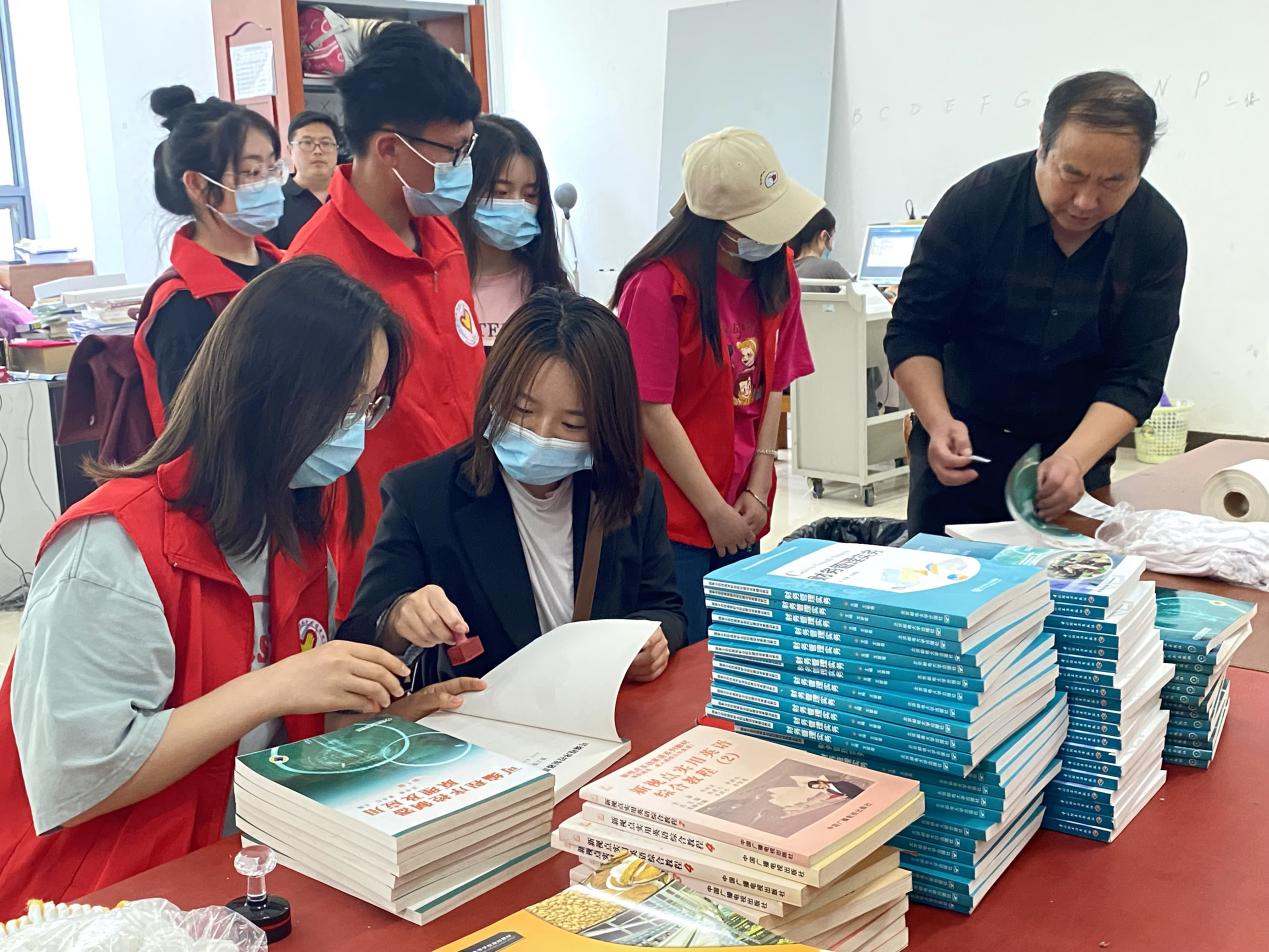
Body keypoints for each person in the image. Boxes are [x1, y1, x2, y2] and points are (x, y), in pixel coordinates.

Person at [0, 258, 485, 909]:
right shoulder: (111, 548)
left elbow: (279, 738)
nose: (357, 430)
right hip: (101, 892)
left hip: (240, 865)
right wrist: (274, 686)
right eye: (344, 406)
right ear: (263, 394)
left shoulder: (296, 532)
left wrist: (387, 722)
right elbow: (77, 779)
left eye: (368, 406)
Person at [885, 71, 1186, 536]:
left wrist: (1074, 460)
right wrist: (939, 421)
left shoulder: (1155, 234)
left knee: (1070, 578)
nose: (1085, 201)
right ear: (1043, 141)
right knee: (943, 574)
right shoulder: (975, 205)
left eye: (1114, 182)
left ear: (1140, 169)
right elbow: (913, 329)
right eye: (1072, 174)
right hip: (962, 447)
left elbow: (1136, 375)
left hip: (1075, 456)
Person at [340, 287, 686, 685]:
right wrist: (400, 618)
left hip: (603, 706)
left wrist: (653, 640)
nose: (541, 435)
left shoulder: (633, 491)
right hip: (480, 713)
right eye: (522, 410)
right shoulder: (422, 496)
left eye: (572, 424)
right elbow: (363, 635)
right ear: (494, 392)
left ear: (606, 425)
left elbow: (665, 607)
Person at [287, 23, 486, 622]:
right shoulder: (318, 269)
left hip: (465, 519)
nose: (463, 166)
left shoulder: (441, 232)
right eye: (452, 151)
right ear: (390, 149)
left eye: (469, 147)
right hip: (376, 546)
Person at [612, 128, 818, 645]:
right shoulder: (657, 286)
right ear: (715, 227)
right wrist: (713, 511)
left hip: (744, 503)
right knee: (688, 653)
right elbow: (652, 412)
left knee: (744, 652)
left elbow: (774, 383)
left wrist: (758, 486)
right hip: (679, 515)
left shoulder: (777, 269)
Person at [135, 85, 285, 434]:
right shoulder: (184, 304)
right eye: (252, 173)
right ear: (198, 185)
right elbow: (195, 436)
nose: (269, 185)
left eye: (273, 168)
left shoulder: (284, 268)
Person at [452, 114, 571, 348]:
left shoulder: (548, 283)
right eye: (501, 192)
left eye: (530, 195)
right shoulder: (440, 281)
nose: (518, 205)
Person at [792, 206, 884, 417]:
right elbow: (861, 302)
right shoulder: (829, 268)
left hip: (799, 365)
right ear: (824, 236)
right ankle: (869, 417)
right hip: (830, 366)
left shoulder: (790, 270)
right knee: (865, 351)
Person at [267, 110, 343, 249]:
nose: (318, 151)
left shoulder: (352, 196)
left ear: (337, 150)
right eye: (307, 143)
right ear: (290, 150)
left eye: (326, 143)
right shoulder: (273, 204)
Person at [791, 206, 851, 285]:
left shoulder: (787, 270)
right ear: (824, 236)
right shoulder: (830, 268)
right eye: (832, 236)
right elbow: (857, 290)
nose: (831, 247)